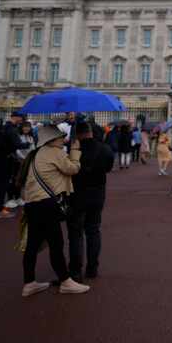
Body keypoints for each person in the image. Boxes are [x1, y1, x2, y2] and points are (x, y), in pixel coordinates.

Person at [19, 124, 88, 297]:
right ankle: (65, 281)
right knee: (56, 244)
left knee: (32, 245)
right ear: (52, 139)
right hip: (47, 204)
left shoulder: (35, 153)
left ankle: (29, 282)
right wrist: (76, 152)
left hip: (32, 203)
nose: (63, 138)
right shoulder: (54, 152)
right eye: (60, 136)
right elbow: (72, 169)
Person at [67, 121, 115, 282]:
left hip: (77, 194)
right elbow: (108, 168)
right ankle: (92, 268)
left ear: (78, 135)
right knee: (93, 231)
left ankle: (75, 270)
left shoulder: (72, 150)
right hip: (97, 194)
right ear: (90, 132)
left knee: (75, 233)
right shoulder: (105, 149)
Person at [0, 112, 30, 219]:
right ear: (16, 118)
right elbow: (18, 144)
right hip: (5, 161)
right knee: (2, 186)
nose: (22, 120)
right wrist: (28, 144)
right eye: (21, 118)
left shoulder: (2, 127)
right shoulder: (12, 130)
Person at [6, 121, 35, 209]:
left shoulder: (30, 137)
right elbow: (17, 149)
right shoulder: (18, 136)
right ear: (21, 127)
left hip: (27, 161)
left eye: (28, 127)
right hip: (18, 161)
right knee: (14, 179)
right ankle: (10, 198)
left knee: (21, 180)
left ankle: (18, 197)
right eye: (25, 126)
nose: (26, 128)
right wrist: (22, 158)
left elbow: (32, 148)